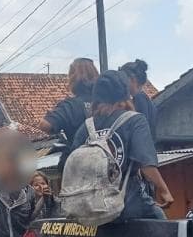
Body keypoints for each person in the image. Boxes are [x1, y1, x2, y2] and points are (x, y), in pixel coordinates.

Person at [71, 70, 174, 220]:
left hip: (91, 209)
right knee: (160, 222)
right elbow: (146, 165)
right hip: (128, 206)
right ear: (125, 95)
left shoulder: (85, 127)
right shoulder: (135, 120)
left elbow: (73, 167)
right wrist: (164, 191)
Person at [38, 58, 99, 171]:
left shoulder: (70, 105)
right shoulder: (106, 104)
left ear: (73, 79)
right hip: (105, 166)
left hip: (78, 169)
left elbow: (45, 125)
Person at [119, 59, 158, 143]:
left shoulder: (139, 98)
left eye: (122, 79)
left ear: (132, 79)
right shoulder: (144, 99)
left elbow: (141, 129)